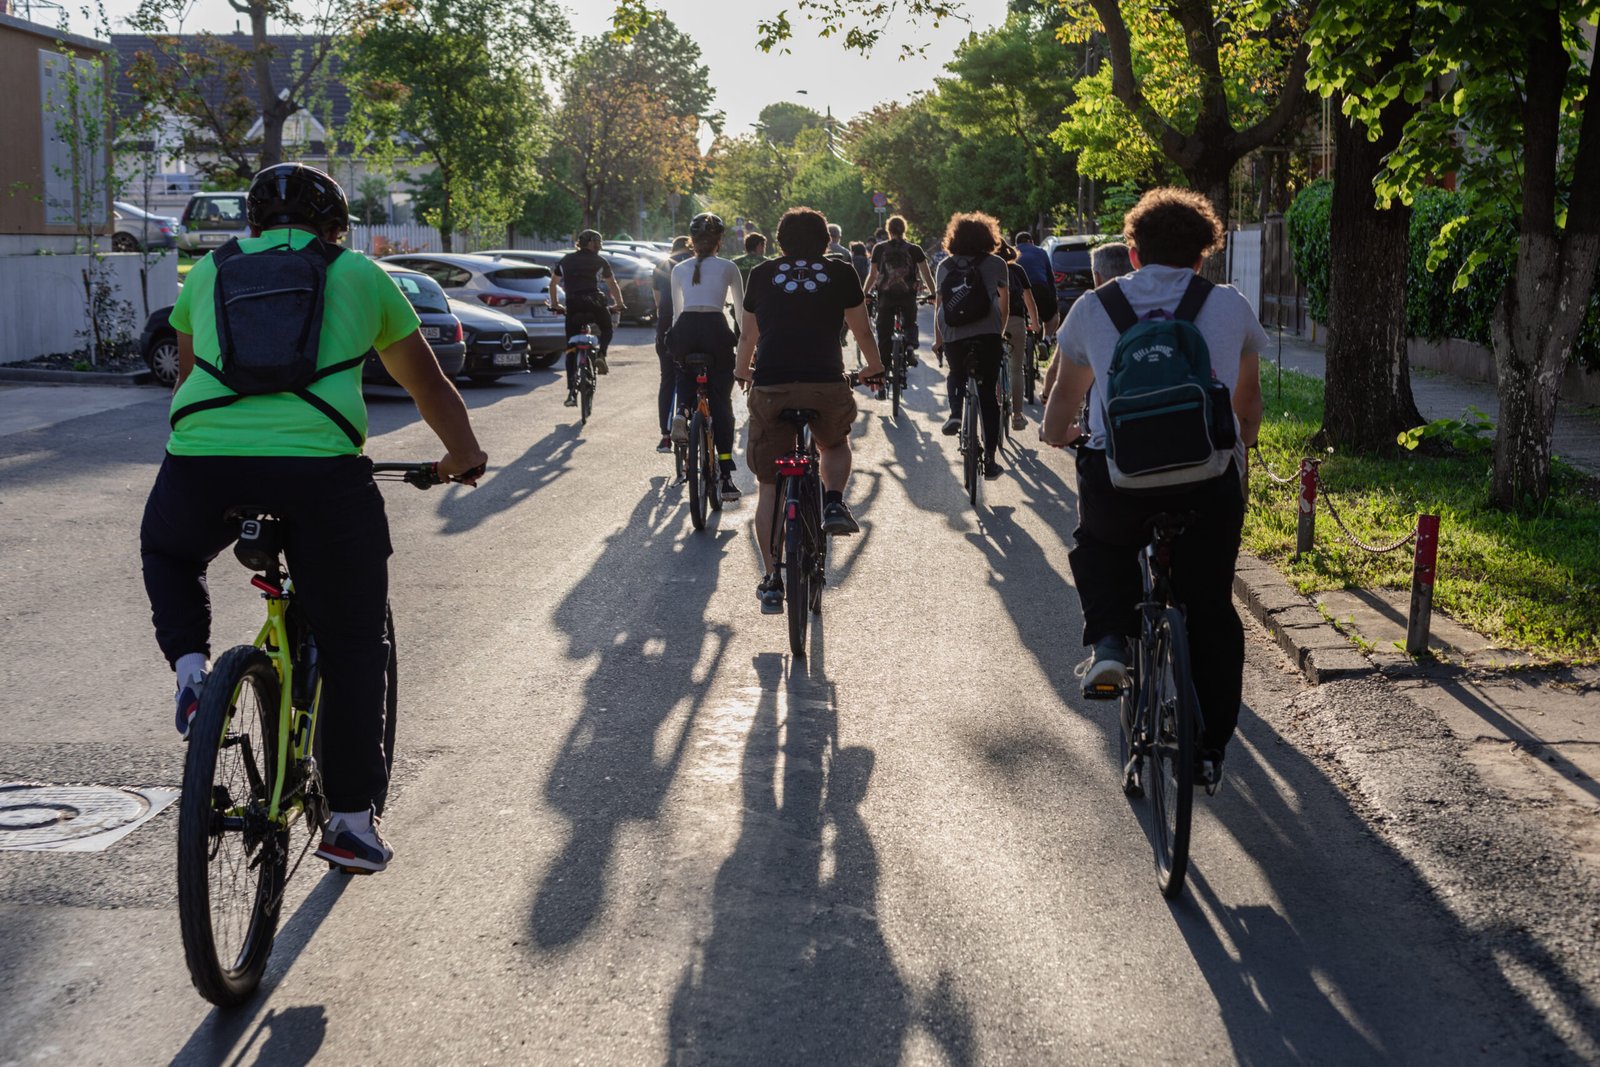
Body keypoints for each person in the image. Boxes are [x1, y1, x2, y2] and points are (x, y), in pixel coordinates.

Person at [142, 163, 487, 874]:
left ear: (253, 224)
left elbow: (189, 378)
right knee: (355, 646)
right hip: (322, 476)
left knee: (170, 552)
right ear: (336, 229)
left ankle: (191, 673)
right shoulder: (359, 274)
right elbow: (427, 384)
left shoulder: (208, 272)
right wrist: (462, 455)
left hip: (204, 463)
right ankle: (351, 824)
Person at [1040, 188, 1265, 791]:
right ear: (1203, 256)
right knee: (1211, 608)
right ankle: (1209, 749)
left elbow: (1062, 402)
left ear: (1133, 253)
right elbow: (1247, 405)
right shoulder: (1229, 305)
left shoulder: (1095, 307)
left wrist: (1059, 435)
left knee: (1099, 545)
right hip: (1207, 484)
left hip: (1121, 481)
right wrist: (1241, 443)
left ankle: (1110, 643)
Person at [735, 207, 885, 614]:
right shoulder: (842, 273)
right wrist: (874, 367)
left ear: (780, 241)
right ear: (826, 240)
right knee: (833, 443)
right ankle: (833, 501)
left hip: (772, 385)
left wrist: (742, 371)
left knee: (769, 483)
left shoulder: (761, 274)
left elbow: (748, 335)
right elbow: (862, 330)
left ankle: (772, 579)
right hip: (826, 382)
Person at [669, 212, 745, 500]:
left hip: (686, 329)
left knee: (683, 369)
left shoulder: (678, 269)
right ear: (719, 242)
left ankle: (682, 410)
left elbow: (677, 313)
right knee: (721, 402)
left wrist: (677, 344)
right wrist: (746, 348)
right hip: (715, 329)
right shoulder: (729, 267)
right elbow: (740, 314)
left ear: (691, 241)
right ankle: (725, 474)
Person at [932, 212, 1009, 478]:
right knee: (987, 394)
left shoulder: (944, 266)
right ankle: (990, 459)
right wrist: (998, 331)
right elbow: (1004, 304)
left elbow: (940, 307)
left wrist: (939, 340)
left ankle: (955, 413)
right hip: (988, 332)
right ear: (989, 236)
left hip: (953, 331)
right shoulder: (997, 264)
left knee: (956, 372)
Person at [1043, 241, 1132, 402]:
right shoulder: (1154, 299)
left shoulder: (1088, 308)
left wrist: (1045, 396)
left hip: (1109, 412)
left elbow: (1057, 369)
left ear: (1096, 277)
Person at [551, 229, 624, 407]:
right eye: (598, 242)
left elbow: (553, 283)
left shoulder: (566, 260)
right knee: (606, 328)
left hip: (573, 306)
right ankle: (601, 354)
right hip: (595, 304)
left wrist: (555, 304)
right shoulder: (600, 261)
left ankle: (571, 392)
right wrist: (619, 303)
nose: (599, 246)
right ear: (592, 243)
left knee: (570, 348)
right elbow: (612, 283)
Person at [863, 213, 937, 365]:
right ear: (904, 230)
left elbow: (873, 275)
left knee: (884, 330)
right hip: (907, 295)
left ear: (888, 230)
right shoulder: (915, 249)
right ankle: (910, 346)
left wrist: (865, 293)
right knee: (910, 323)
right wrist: (933, 293)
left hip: (886, 296)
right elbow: (926, 275)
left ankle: (884, 366)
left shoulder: (879, 248)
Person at [653, 235, 694, 451]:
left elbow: (658, 301)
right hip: (690, 325)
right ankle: (691, 418)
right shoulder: (695, 263)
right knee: (692, 375)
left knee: (667, 378)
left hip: (666, 326)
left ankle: (666, 436)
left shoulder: (661, 265)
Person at [998, 241, 1040, 430]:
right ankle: (1017, 416)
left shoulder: (985, 268)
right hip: (1015, 320)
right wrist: (1035, 324)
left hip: (991, 323)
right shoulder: (1017, 270)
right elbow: (1029, 300)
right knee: (1016, 368)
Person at [1014, 231, 1059, 337]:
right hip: (1039, 289)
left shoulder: (1012, 253)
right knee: (1052, 317)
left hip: (1018, 292)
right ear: (1031, 242)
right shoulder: (1041, 252)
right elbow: (1050, 278)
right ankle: (1046, 340)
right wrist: (1053, 297)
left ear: (1016, 244)